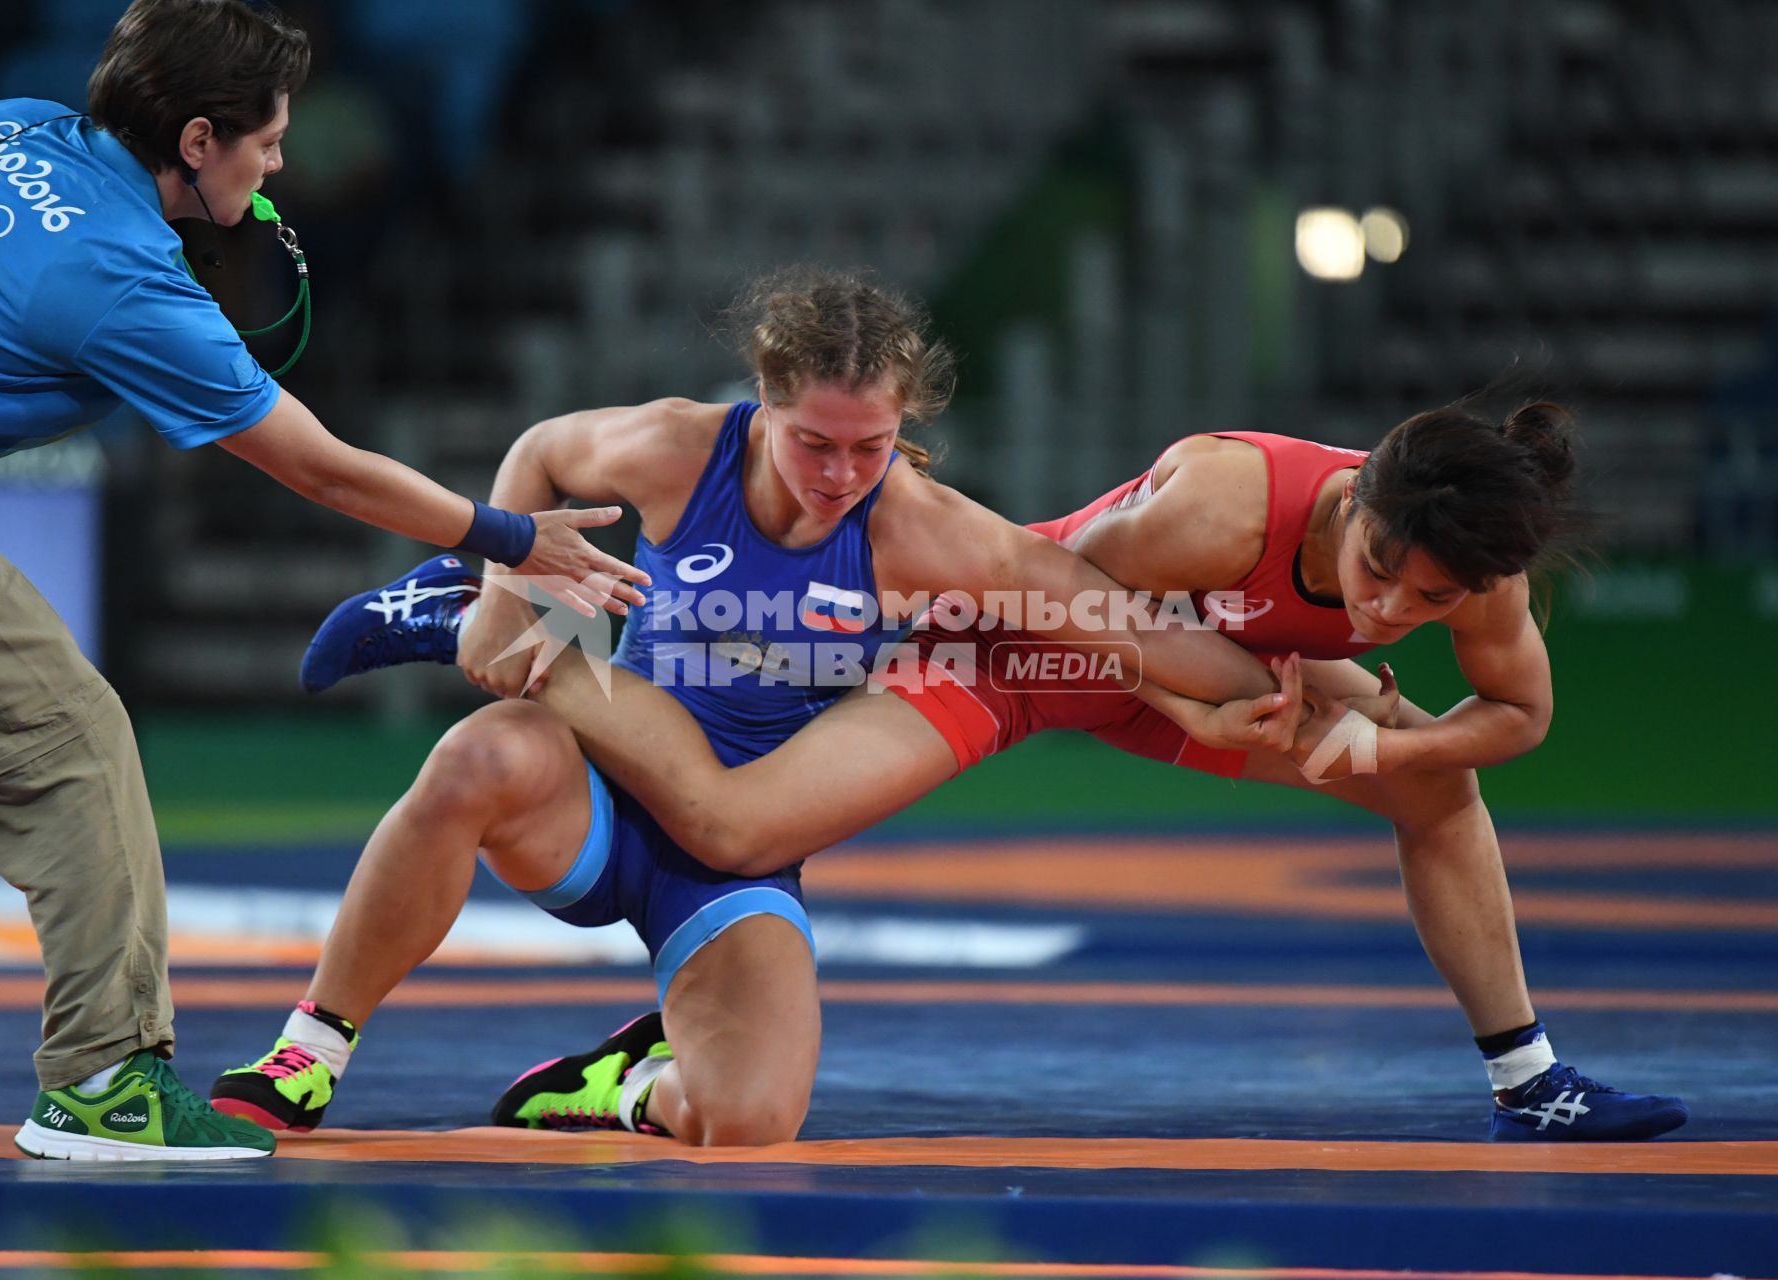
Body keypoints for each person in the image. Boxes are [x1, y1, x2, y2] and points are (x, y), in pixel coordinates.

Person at [209, 266, 1302, 1146]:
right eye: (813, 441)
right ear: (764, 404)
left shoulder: (920, 527)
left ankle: (617, 1088)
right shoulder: (683, 447)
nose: (839, 473)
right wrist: (504, 577)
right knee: (475, 757)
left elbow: (1126, 623)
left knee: (748, 1118)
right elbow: (540, 452)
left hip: (726, 855)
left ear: (904, 427)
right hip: (586, 791)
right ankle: (312, 1045)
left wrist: (1302, 688)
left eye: (871, 447)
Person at [477, 402, 1691, 1143]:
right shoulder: (1220, 503)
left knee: (1441, 789)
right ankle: (503, 635)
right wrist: (1208, 698)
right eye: (1378, 567)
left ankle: (1527, 1075)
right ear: (1357, 489)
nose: (1386, 607)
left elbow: (1519, 713)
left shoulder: (1480, 563)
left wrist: (1392, 747)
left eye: (1424, 602)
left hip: (1225, 680)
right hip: (1009, 648)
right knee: (738, 827)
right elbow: (1041, 604)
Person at [0, 0, 647, 1162]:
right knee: (68, 745)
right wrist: (511, 537)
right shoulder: (125, 285)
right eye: (268, 139)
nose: (281, 160)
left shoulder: (6, 126)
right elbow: (324, 469)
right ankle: (105, 1082)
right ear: (199, 141)